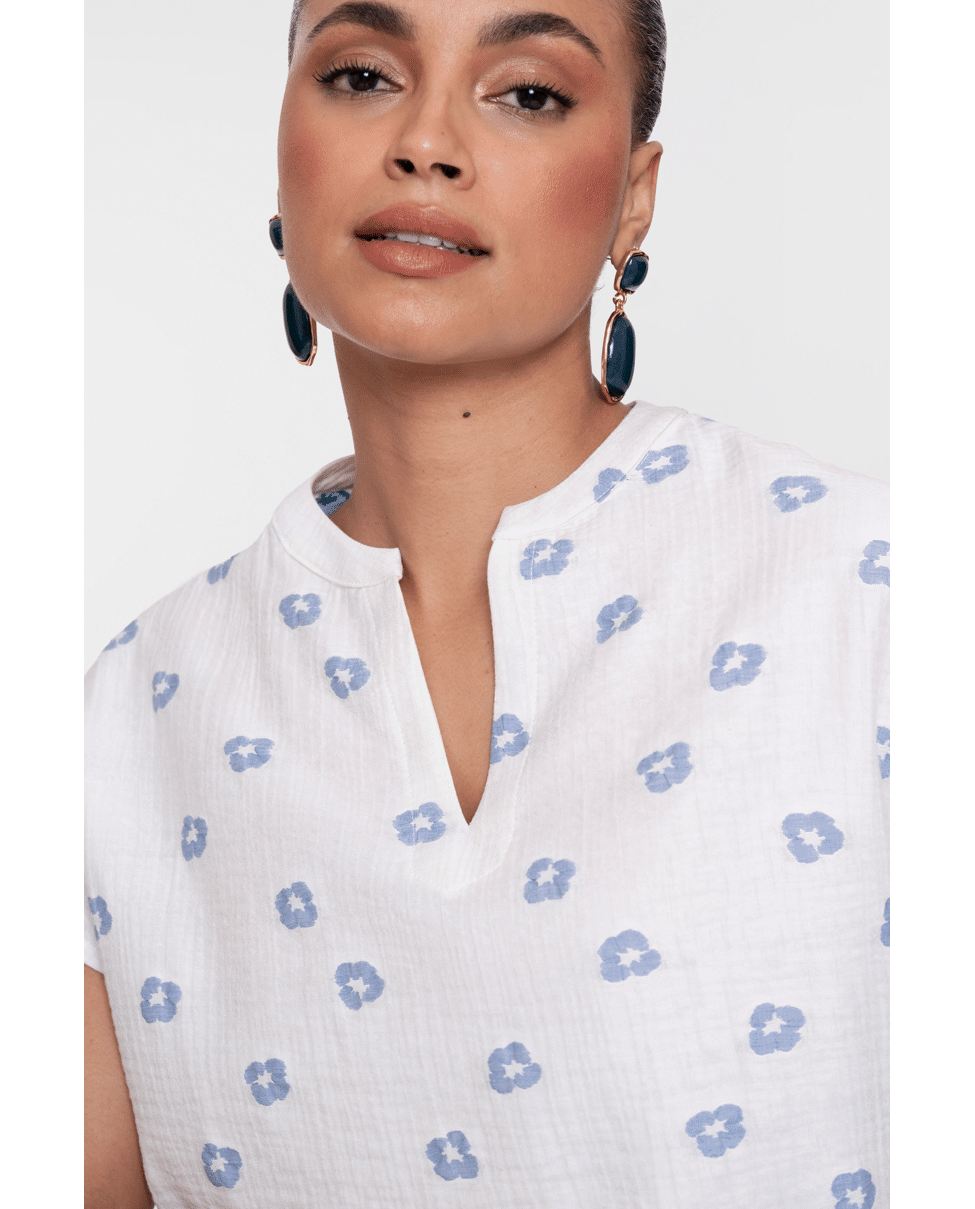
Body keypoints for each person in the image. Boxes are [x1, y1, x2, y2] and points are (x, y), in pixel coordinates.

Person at [84, 1, 889, 1206]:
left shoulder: (870, 595)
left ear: (633, 200)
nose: (426, 142)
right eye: (362, 75)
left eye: (528, 93)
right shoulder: (129, 721)